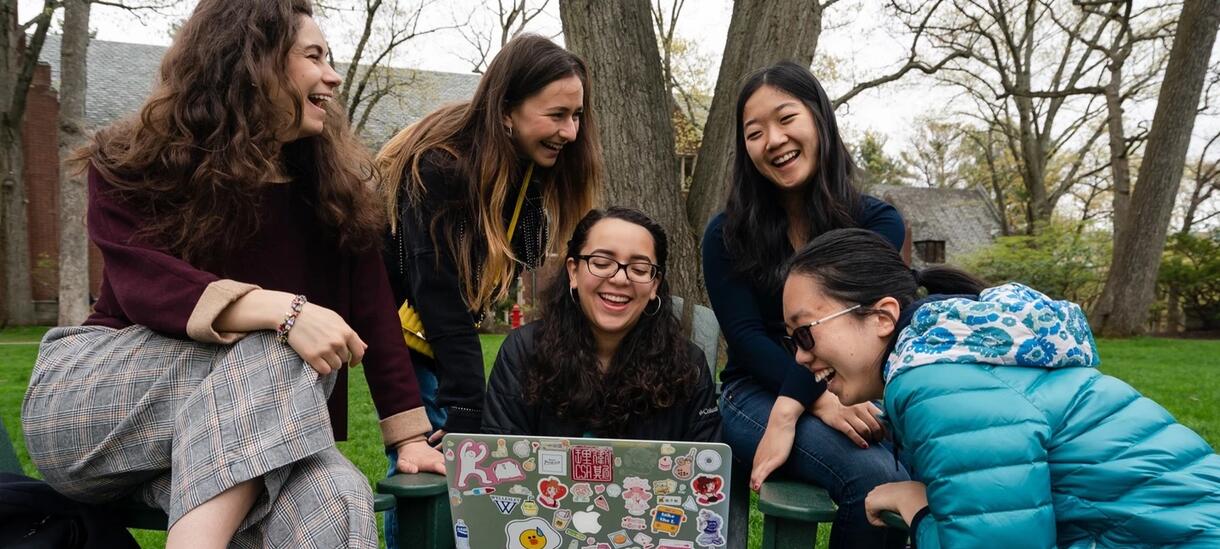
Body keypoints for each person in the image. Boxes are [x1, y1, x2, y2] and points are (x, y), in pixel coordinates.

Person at [21, 2, 443, 547]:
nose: (333, 75)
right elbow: (141, 282)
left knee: (337, 496)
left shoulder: (333, 192)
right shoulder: (133, 161)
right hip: (96, 415)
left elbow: (376, 317)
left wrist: (408, 438)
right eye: (313, 56)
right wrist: (282, 311)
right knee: (281, 344)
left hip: (235, 441)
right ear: (251, 62)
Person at [782, 228, 1220, 548]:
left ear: (882, 317)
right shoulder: (958, 361)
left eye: (805, 333)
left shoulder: (933, 384)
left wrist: (917, 507)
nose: (799, 358)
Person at [375, 33, 601, 548]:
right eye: (557, 114)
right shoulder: (438, 167)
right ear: (506, 111)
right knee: (427, 466)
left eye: (577, 115)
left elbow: (516, 262)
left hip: (439, 333)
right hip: (403, 335)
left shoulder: (523, 173)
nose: (570, 130)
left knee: (456, 467)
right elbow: (436, 291)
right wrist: (465, 403)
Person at [701, 61, 909, 547]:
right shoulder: (727, 234)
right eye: (754, 132)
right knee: (874, 477)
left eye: (786, 118)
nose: (772, 139)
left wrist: (794, 409)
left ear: (820, 119)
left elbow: (868, 331)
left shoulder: (877, 223)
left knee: (931, 468)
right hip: (755, 393)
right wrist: (810, 399)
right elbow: (747, 339)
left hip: (856, 386)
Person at [483, 207, 720, 442]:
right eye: (601, 262)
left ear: (654, 285)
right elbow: (499, 460)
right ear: (574, 271)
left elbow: (706, 469)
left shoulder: (688, 366)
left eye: (639, 269)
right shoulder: (523, 352)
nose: (619, 279)